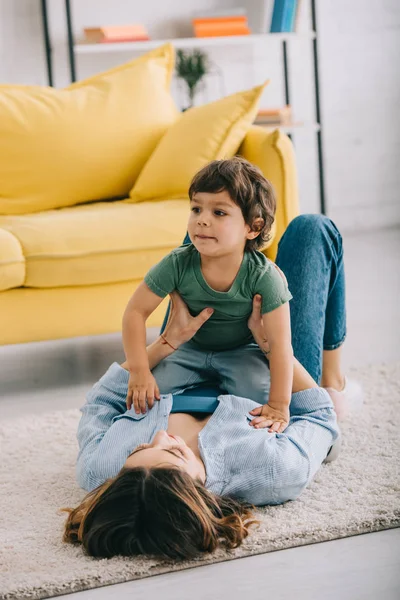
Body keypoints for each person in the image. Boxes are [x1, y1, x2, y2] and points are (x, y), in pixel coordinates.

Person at [62, 214, 363, 560]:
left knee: (211, 233)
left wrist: (166, 342)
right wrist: (269, 344)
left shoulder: (101, 470)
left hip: (185, 347)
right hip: (270, 363)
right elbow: (319, 416)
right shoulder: (273, 472)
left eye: (139, 448)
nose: (161, 438)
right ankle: (334, 378)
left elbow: (102, 400)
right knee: (312, 230)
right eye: (174, 452)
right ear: (199, 492)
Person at [122, 157, 294, 433]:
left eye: (219, 213)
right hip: (189, 349)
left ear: (254, 227)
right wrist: (141, 371)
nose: (201, 220)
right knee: (141, 399)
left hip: (242, 352)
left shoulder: (265, 277)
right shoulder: (177, 263)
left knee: (257, 402)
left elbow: (280, 344)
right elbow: (135, 312)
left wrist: (279, 404)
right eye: (196, 209)